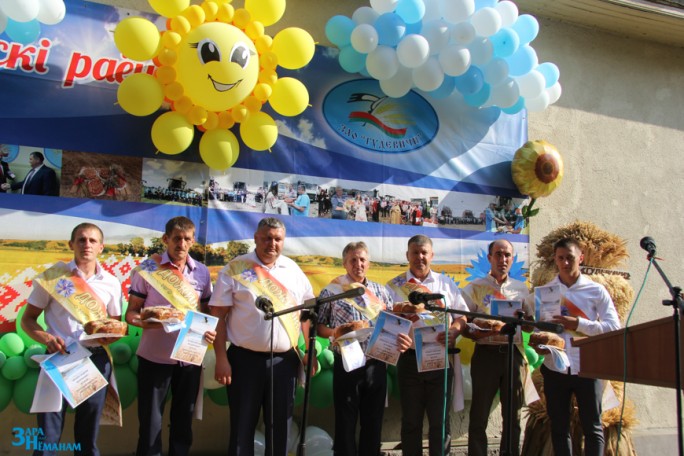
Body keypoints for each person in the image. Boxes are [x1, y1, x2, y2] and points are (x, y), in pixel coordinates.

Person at [210, 217, 315, 456]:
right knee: (241, 429)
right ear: (256, 238)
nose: (272, 243)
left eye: (277, 239)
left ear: (283, 241)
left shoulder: (294, 270)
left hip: (284, 362)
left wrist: (309, 351)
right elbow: (218, 316)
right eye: (266, 237)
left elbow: (307, 315)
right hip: (243, 362)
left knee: (280, 429)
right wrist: (221, 358)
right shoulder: (236, 267)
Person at [21, 222, 123, 455]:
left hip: (95, 361)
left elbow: (115, 325)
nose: (87, 244)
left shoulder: (112, 283)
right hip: (58, 358)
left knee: (88, 437)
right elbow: (28, 320)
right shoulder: (54, 277)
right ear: (71, 244)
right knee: (48, 437)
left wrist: (110, 337)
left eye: (92, 240)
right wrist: (46, 337)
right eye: (81, 239)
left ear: (101, 247)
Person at [125, 216, 214, 456]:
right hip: (154, 358)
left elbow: (206, 315)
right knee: (151, 423)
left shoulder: (202, 273)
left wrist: (210, 331)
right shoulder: (148, 269)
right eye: (176, 238)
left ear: (193, 241)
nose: (181, 244)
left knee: (183, 422)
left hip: (189, 358)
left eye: (187, 239)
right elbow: (131, 314)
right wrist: (149, 323)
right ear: (166, 239)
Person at [317, 242, 411, 456]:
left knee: (373, 422)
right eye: (353, 260)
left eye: (362, 260)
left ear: (368, 263)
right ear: (344, 263)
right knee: (345, 422)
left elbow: (392, 324)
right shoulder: (331, 291)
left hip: (376, 362)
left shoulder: (381, 291)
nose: (358, 264)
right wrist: (336, 332)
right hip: (347, 363)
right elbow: (319, 326)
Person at [537, 237, 621, 456]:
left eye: (570, 258)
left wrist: (579, 324)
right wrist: (539, 341)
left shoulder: (596, 291)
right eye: (561, 258)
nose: (565, 263)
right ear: (555, 260)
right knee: (559, 427)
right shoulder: (545, 292)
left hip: (588, 366)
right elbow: (539, 329)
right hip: (555, 366)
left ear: (581, 258)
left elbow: (613, 327)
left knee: (592, 426)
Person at [386, 235, 468, 456]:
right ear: (407, 255)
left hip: (439, 361)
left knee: (440, 423)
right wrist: (397, 338)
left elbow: (462, 317)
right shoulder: (394, 286)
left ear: (432, 255)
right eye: (415, 252)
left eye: (424, 253)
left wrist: (455, 331)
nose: (420, 257)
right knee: (411, 422)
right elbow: (383, 323)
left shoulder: (445, 284)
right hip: (409, 361)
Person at [461, 240, 531, 456]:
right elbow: (464, 326)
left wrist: (524, 320)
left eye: (507, 255)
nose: (503, 259)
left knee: (513, 415)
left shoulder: (522, 289)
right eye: (498, 254)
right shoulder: (474, 288)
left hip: (514, 355)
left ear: (512, 259)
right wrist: (481, 331)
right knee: (479, 415)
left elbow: (530, 325)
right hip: (486, 356)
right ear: (490, 258)